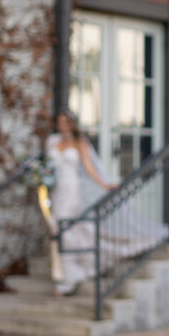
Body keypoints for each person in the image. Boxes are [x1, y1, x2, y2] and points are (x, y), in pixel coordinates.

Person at [45, 109, 116, 296]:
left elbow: (89, 168)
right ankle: (65, 273)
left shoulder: (79, 143)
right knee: (57, 229)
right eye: (59, 122)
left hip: (71, 189)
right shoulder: (52, 141)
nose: (62, 126)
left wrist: (104, 184)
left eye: (65, 122)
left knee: (64, 230)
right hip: (55, 190)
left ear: (72, 124)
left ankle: (70, 278)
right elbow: (47, 167)